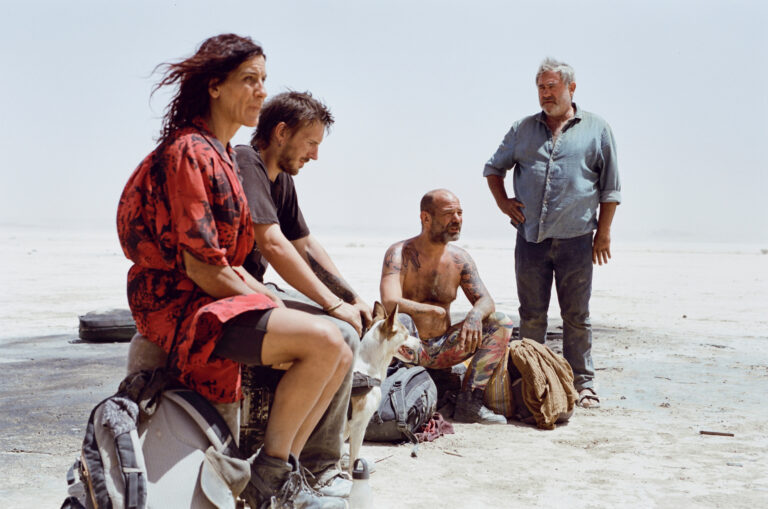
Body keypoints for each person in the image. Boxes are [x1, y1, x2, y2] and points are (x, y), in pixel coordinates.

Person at [116, 34, 350, 509]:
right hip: (180, 305)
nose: (261, 91)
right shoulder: (190, 152)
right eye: (250, 80)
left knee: (340, 343)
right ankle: (267, 483)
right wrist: (276, 308)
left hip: (214, 297)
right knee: (323, 342)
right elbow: (203, 268)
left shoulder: (221, 153)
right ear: (215, 85)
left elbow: (230, 263)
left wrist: (277, 304)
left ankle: (284, 472)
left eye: (264, 80)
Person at [235, 91, 372, 498]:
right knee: (338, 333)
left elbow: (305, 245)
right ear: (281, 132)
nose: (314, 155)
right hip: (234, 294)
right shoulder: (247, 162)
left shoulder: (283, 180)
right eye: (310, 143)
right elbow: (274, 245)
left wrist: (351, 297)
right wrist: (332, 306)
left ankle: (303, 466)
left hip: (259, 292)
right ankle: (314, 466)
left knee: (344, 328)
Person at [483, 57, 621, 409]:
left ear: (571, 88)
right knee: (531, 314)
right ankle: (532, 379)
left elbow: (610, 188)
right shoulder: (522, 129)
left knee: (577, 316)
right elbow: (493, 169)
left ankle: (583, 383)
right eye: (541, 88)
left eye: (552, 87)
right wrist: (504, 203)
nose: (545, 94)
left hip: (577, 240)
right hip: (530, 240)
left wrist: (602, 234)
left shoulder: (596, 129)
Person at [379, 189, 513, 424]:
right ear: (426, 218)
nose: (457, 219)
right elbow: (390, 301)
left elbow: (486, 300)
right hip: (408, 348)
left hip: (444, 348)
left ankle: (470, 404)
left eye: (460, 213)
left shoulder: (460, 259)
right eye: (449, 213)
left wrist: (474, 315)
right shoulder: (400, 253)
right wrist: (432, 311)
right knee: (402, 321)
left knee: (500, 321)